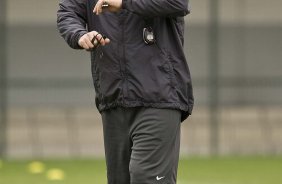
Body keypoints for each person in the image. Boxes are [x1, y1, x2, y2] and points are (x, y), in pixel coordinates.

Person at [57, 0, 194, 183]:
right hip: (113, 98)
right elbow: (68, 12)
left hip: (159, 96)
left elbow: (177, 3)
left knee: (146, 177)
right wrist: (79, 35)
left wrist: (123, 3)